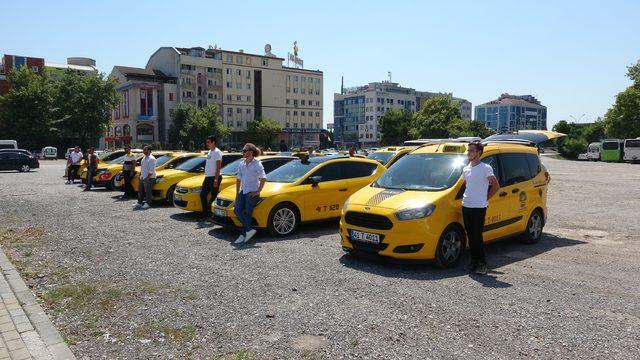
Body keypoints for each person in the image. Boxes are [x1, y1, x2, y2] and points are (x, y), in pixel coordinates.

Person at [461, 142, 500, 275]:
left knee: (477, 236)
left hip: (479, 207)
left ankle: (482, 264)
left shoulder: (485, 168)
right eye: (468, 150)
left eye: (471, 151)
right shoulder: (466, 169)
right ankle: (473, 261)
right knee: (470, 236)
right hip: (466, 205)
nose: (469, 153)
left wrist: (485, 199)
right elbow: (467, 185)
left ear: (478, 153)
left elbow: (496, 186)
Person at [233, 143, 266, 244]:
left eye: (244, 150)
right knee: (237, 210)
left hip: (252, 192)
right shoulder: (242, 164)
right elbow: (238, 179)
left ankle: (243, 235)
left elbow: (263, 178)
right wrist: (237, 193)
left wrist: (258, 191)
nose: (242, 152)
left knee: (247, 213)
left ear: (251, 152)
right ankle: (249, 230)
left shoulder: (257, 163)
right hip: (243, 191)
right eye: (243, 150)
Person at [201, 136, 222, 219]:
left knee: (213, 196)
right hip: (208, 177)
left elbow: (218, 166)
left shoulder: (217, 152)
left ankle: (211, 215)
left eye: (209, 142)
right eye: (207, 142)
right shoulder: (210, 151)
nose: (207, 144)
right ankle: (205, 213)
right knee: (202, 195)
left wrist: (216, 179)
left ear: (213, 142)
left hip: (214, 177)